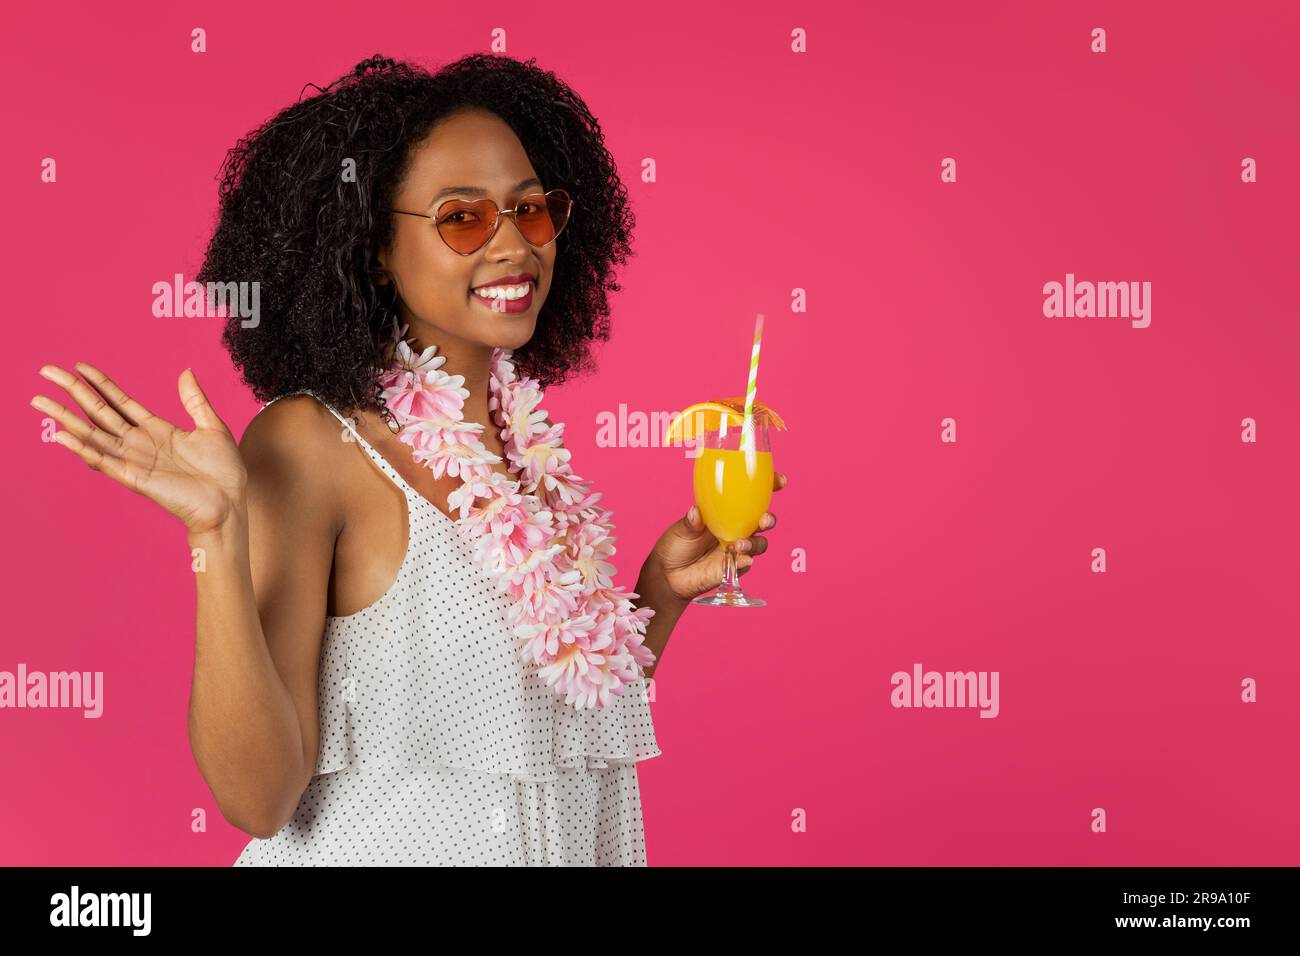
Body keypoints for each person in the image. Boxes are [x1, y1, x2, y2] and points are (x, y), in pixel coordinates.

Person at [30, 53, 786, 866]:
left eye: (530, 211)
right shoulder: (310, 446)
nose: (514, 244)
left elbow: (560, 731)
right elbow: (258, 799)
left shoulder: (526, 459)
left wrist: (659, 593)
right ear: (375, 247)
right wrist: (216, 535)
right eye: (463, 217)